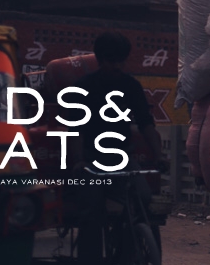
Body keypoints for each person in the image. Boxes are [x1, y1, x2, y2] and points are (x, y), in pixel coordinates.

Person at [73, 31, 162, 265]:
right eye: (112, 60)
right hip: (91, 160)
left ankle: (128, 251)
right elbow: (76, 129)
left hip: (123, 158)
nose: (117, 66)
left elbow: (145, 123)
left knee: (143, 197)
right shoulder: (83, 87)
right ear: (100, 59)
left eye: (121, 60)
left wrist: (159, 155)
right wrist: (79, 160)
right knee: (91, 215)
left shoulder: (131, 86)